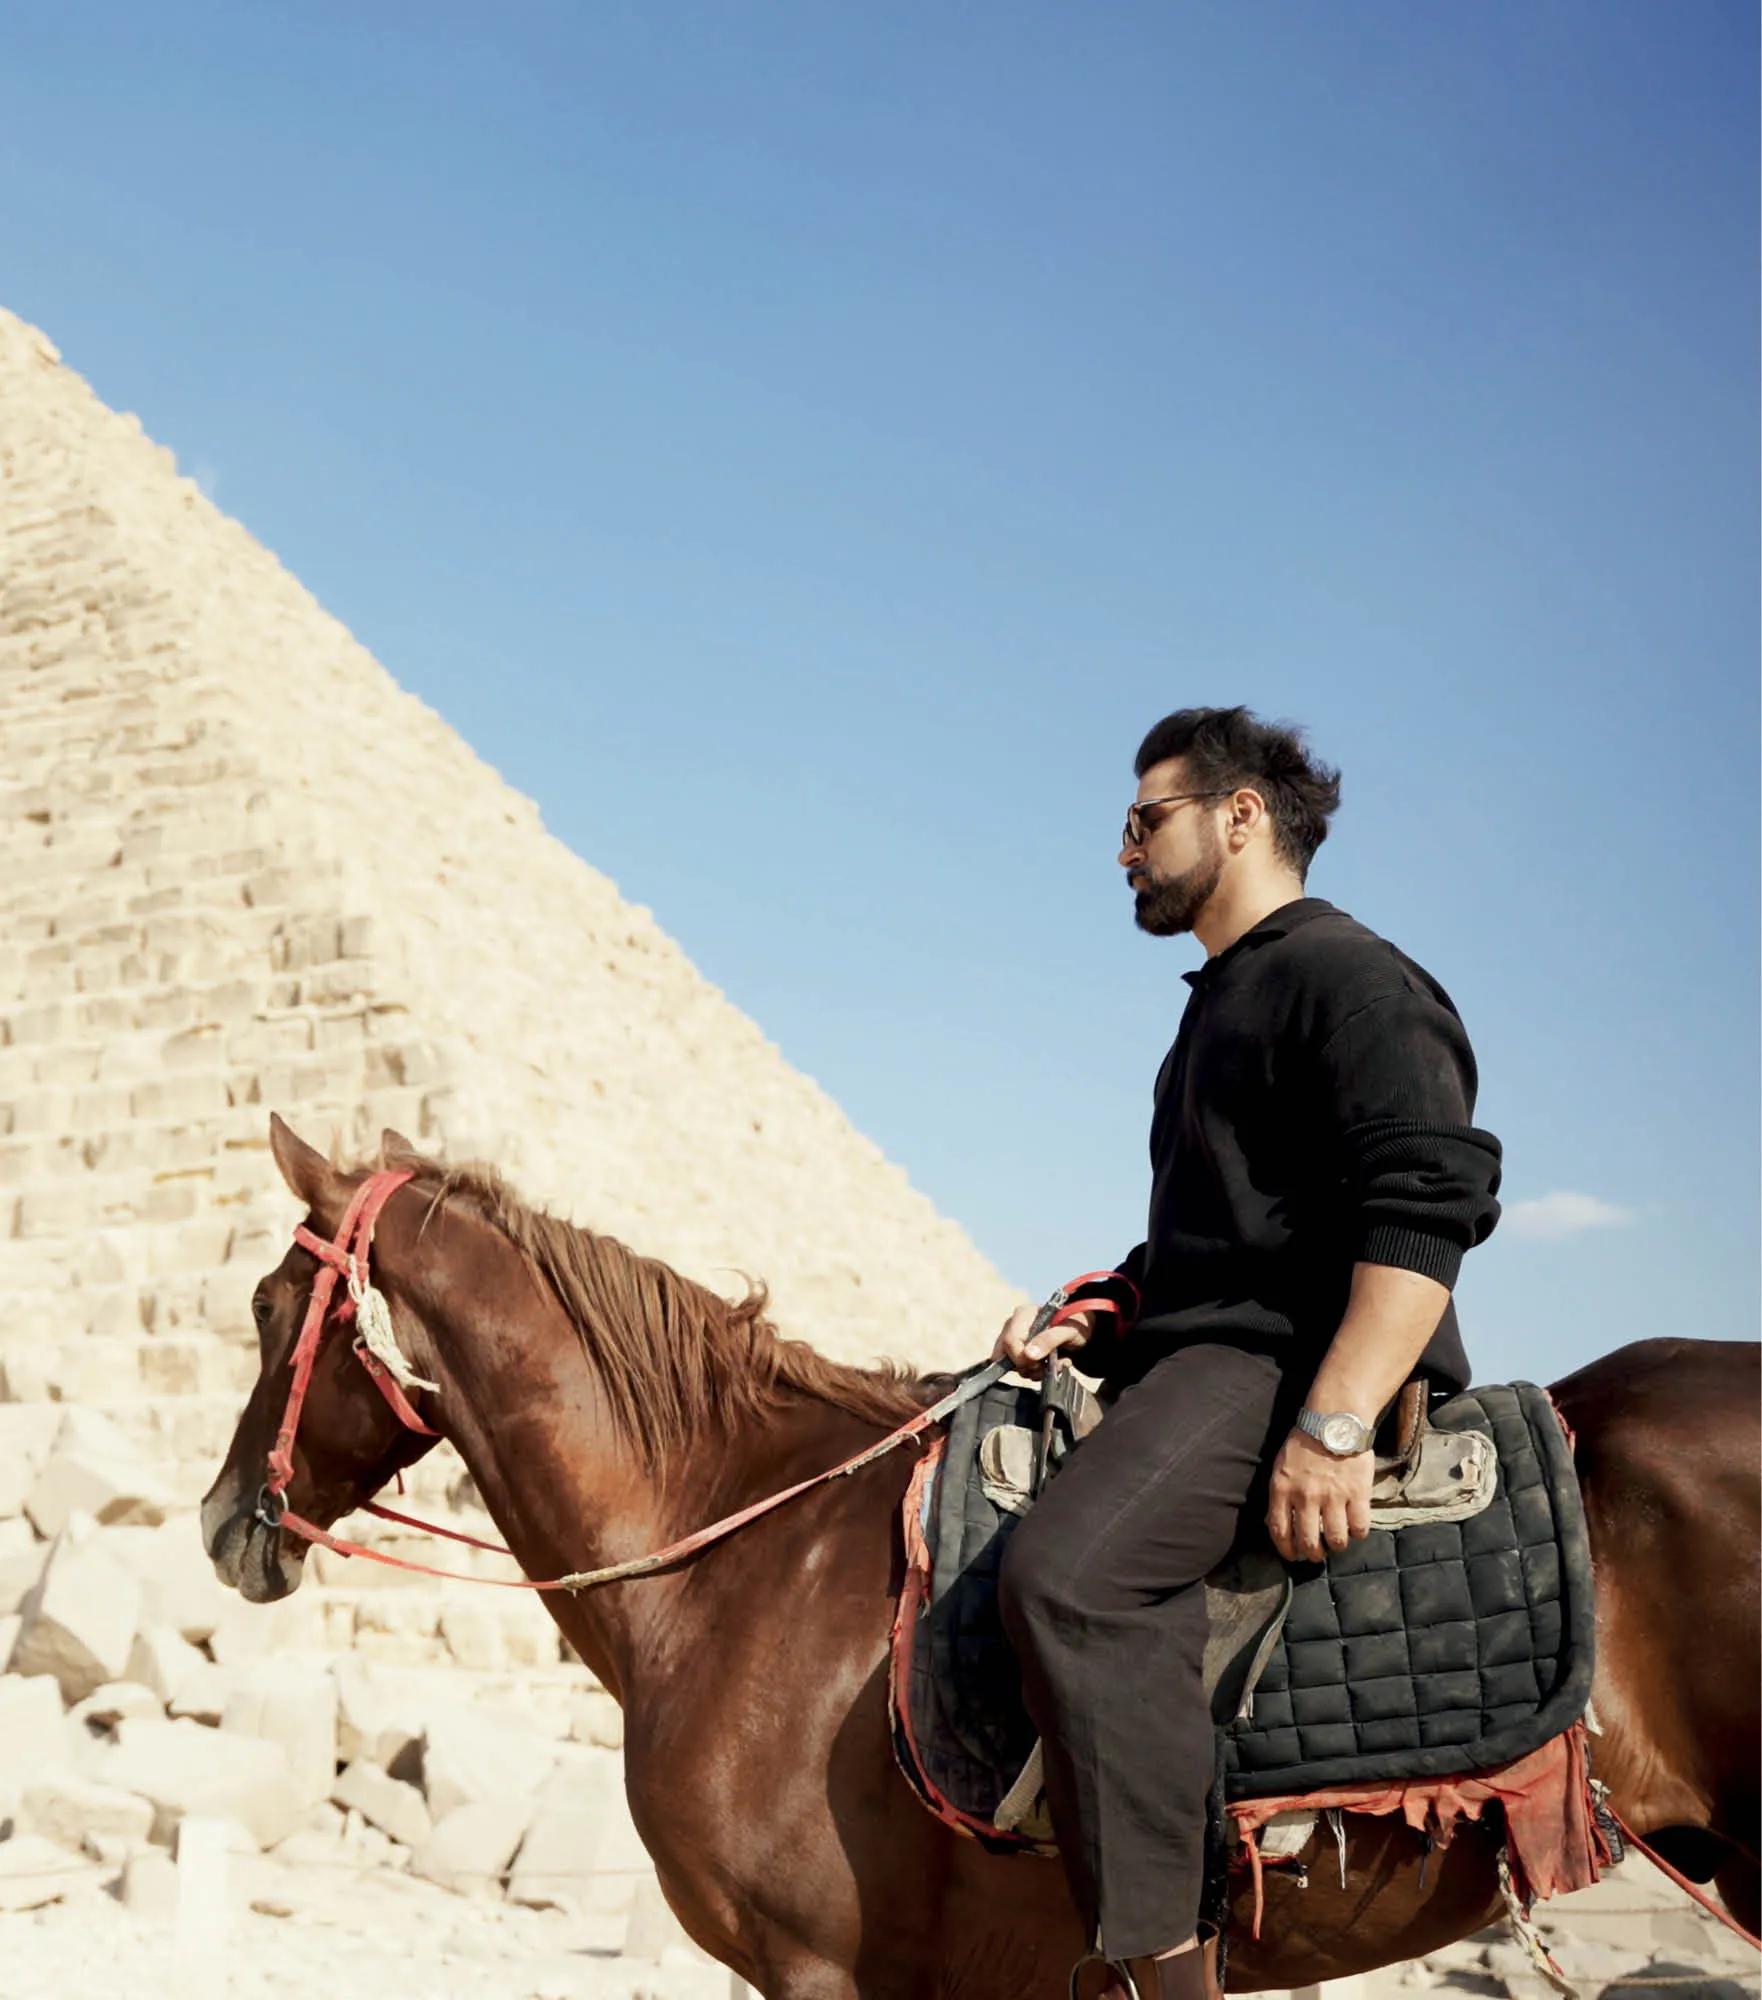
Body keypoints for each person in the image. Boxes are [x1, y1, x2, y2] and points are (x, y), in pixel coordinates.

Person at [994, 706, 1503, 2000]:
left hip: (1282, 1364)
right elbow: (1222, 1240)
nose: (1121, 852)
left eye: (1140, 820)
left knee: (1072, 1578)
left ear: (1238, 816)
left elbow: (1423, 1201)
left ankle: (1166, 1983)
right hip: (1218, 1347)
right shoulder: (1222, 1003)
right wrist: (1102, 1307)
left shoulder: (1345, 977)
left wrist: (1336, 1419)